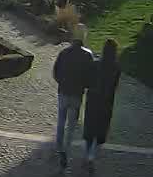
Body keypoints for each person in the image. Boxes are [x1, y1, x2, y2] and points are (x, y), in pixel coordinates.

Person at [51, 31, 95, 169]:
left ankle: (58, 146)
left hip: (63, 91)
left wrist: (61, 82)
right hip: (77, 93)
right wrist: (85, 85)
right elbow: (90, 75)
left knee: (61, 120)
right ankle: (66, 149)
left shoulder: (64, 53)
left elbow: (55, 71)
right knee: (71, 125)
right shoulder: (88, 55)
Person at [83, 39, 122, 165]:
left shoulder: (95, 64)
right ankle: (92, 154)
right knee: (101, 127)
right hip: (106, 101)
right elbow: (115, 86)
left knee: (90, 125)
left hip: (93, 99)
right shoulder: (116, 68)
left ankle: (87, 152)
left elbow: (87, 81)